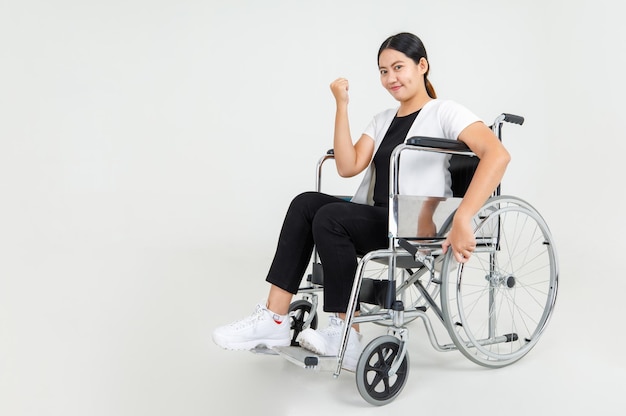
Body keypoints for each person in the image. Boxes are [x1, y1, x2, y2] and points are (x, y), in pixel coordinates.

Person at [211, 32, 511, 371]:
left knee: (330, 218)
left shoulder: (445, 112)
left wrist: (463, 218)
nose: (390, 78)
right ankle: (275, 319)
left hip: (419, 224)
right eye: (383, 71)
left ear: (422, 66)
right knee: (305, 203)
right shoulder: (383, 119)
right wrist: (341, 106)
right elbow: (347, 165)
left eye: (398, 67)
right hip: (382, 218)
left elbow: (497, 155)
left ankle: (346, 334)